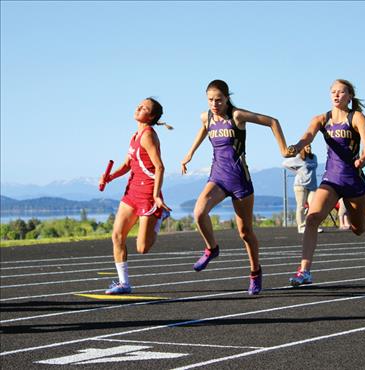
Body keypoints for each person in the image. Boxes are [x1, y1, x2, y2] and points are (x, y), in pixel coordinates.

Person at [285, 79, 365, 287]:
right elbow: (308, 136)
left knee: (359, 228)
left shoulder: (356, 117)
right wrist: (297, 146)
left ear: (350, 96)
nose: (336, 95)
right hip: (331, 180)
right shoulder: (322, 119)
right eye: (333, 92)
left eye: (341, 92)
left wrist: (363, 159)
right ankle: (304, 271)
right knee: (312, 219)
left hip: (353, 180)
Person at [181, 79, 289, 295]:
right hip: (218, 178)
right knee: (199, 212)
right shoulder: (207, 117)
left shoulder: (237, 116)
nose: (214, 104)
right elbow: (204, 128)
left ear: (227, 98)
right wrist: (190, 153)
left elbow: (272, 121)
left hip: (240, 180)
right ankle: (212, 248)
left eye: (219, 100)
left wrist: (284, 150)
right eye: (210, 100)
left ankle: (255, 272)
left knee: (245, 232)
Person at [99, 97, 172, 294]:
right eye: (139, 105)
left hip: (148, 193)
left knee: (142, 248)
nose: (139, 108)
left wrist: (156, 195)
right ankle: (124, 283)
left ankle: (159, 216)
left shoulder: (148, 136)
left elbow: (159, 167)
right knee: (117, 236)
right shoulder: (135, 135)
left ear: (152, 116)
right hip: (132, 192)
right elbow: (127, 164)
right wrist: (109, 177)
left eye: (144, 108)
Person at [282, 144, 323, 233]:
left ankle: (314, 226)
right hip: (300, 186)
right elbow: (284, 164)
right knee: (301, 206)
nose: (309, 148)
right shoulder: (299, 158)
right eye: (307, 147)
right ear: (303, 148)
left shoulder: (314, 157)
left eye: (310, 147)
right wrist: (296, 171)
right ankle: (301, 227)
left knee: (314, 206)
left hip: (312, 186)